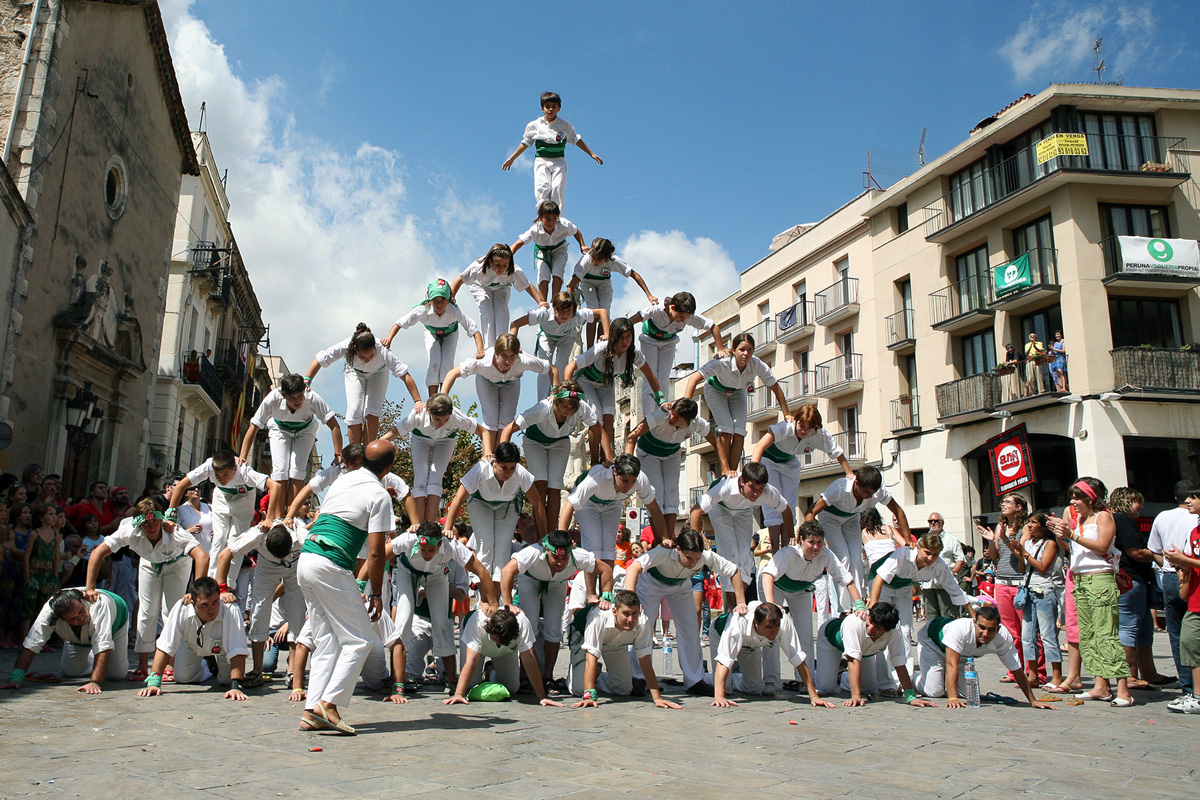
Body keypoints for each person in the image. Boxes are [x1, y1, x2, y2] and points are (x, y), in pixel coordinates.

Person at [294, 439, 396, 735]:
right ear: (388, 468)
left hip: (308, 559)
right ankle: (330, 704)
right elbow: (377, 552)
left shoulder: (342, 480)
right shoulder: (378, 494)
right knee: (361, 639)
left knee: (326, 641)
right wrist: (376, 593)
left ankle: (311, 711)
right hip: (330, 565)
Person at [84, 498, 208, 680]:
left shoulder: (174, 531)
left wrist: (197, 591)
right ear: (138, 524)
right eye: (146, 525)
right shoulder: (129, 531)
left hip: (177, 563)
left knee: (171, 611)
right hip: (150, 563)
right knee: (146, 611)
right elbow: (98, 552)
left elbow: (202, 556)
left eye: (155, 522)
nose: (152, 528)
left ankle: (169, 664)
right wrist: (90, 588)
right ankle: (143, 666)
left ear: (161, 519)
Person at [1048, 477, 1135, 707]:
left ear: (1090, 497)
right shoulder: (1081, 520)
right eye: (1072, 497)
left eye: (1077, 497)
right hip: (1081, 579)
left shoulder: (1103, 516)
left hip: (1100, 579)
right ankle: (1100, 685)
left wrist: (1073, 534)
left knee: (1107, 634)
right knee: (1088, 635)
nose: (1073, 502)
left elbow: (1102, 546)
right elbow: (1071, 549)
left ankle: (1123, 690)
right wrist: (1061, 533)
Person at [625, 530, 745, 696]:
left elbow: (733, 571)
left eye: (697, 559)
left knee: (690, 629)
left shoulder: (706, 556)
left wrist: (741, 602)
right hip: (651, 582)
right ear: (679, 549)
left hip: (680, 585)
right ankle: (638, 678)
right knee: (643, 626)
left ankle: (695, 680)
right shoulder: (664, 552)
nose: (693, 563)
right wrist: (630, 601)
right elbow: (633, 568)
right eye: (689, 558)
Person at [868, 531, 984, 694]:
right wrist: (873, 603)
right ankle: (885, 683)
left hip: (904, 588)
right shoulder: (903, 554)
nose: (930, 559)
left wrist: (973, 615)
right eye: (927, 553)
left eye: (935, 555)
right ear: (919, 548)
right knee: (885, 629)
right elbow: (880, 578)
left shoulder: (939, 565)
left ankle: (904, 681)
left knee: (905, 631)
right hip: (882, 584)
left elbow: (955, 591)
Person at [391, 521, 497, 695]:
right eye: (423, 550)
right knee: (402, 620)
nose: (426, 554)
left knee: (442, 624)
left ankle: (450, 679)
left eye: (431, 551)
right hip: (406, 572)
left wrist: (493, 602)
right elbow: (378, 554)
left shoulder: (452, 546)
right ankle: (398, 684)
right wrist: (363, 582)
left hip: (436, 576)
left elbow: (482, 571)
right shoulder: (408, 539)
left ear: (439, 544)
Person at [501, 529, 612, 689]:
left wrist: (606, 594)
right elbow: (507, 571)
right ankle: (524, 675)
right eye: (555, 557)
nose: (560, 563)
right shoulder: (533, 552)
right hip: (530, 580)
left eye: (564, 558)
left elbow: (605, 569)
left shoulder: (578, 555)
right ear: (546, 549)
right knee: (529, 623)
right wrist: (508, 603)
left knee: (554, 629)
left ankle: (548, 676)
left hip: (557, 584)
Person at [761, 520, 862, 683]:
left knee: (805, 634)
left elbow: (847, 580)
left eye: (819, 542)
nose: (815, 547)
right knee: (771, 631)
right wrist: (771, 606)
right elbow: (767, 575)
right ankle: (770, 681)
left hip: (801, 590)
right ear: (802, 540)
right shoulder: (788, 553)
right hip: (775, 587)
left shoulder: (826, 555)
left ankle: (804, 680)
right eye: (811, 542)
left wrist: (859, 605)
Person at [502, 381, 605, 535]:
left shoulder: (582, 407)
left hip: (560, 443)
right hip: (534, 442)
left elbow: (598, 429)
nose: (568, 411)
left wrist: (601, 459)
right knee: (541, 485)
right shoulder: (543, 408)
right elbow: (509, 428)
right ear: (556, 402)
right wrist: (503, 455)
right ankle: (540, 534)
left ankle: (551, 534)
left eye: (572, 408)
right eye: (565, 407)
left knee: (556, 487)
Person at [807, 465, 911, 613]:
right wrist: (813, 535)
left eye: (873, 492)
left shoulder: (879, 492)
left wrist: (908, 540)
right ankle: (844, 609)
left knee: (856, 559)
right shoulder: (839, 488)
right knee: (843, 557)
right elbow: (810, 511)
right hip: (829, 517)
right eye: (867, 492)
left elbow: (898, 510)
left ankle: (858, 603)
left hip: (852, 517)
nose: (870, 496)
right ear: (856, 483)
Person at [215, 519, 307, 687]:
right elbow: (224, 555)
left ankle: (293, 670)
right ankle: (257, 670)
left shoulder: (300, 534)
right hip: (266, 569)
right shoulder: (257, 534)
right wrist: (222, 589)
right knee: (258, 610)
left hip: (294, 568)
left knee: (297, 612)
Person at [240, 373, 343, 524]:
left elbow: (334, 426)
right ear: (283, 395)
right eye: (292, 398)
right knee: (280, 470)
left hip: (305, 430)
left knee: (297, 470)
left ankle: (291, 516)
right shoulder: (272, 399)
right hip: (279, 429)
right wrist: (243, 455)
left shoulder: (312, 398)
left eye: (300, 396)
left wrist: (338, 453)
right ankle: (277, 517)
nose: (298, 401)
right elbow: (253, 427)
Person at [564, 317, 666, 464]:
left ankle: (607, 459)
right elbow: (571, 366)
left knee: (609, 418)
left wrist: (660, 399)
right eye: (620, 337)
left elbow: (649, 375)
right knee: (595, 417)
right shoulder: (602, 348)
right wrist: (568, 392)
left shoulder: (634, 353)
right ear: (613, 337)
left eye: (628, 337)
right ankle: (594, 462)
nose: (624, 341)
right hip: (587, 382)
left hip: (606, 384)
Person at [750, 405, 852, 551]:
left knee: (788, 505)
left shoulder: (820, 434)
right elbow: (759, 446)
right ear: (796, 421)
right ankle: (775, 551)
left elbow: (837, 452)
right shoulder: (786, 427)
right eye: (801, 425)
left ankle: (787, 549)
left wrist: (849, 473)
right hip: (768, 460)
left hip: (789, 463)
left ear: (815, 427)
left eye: (809, 428)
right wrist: (754, 472)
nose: (803, 431)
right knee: (772, 500)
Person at [690, 462, 792, 608]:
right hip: (720, 507)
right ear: (742, 481)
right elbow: (696, 511)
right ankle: (731, 604)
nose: (756, 493)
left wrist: (792, 537)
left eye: (760, 489)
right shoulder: (726, 487)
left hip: (744, 510)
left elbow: (786, 510)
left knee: (745, 554)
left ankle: (740, 601)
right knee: (730, 553)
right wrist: (695, 542)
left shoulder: (769, 492)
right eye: (752, 488)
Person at [914, 607, 1056, 709]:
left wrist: (1032, 700)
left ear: (998, 629)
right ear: (974, 622)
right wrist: (952, 698)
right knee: (934, 691)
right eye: (982, 627)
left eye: (991, 630)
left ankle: (939, 677)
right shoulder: (960, 630)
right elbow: (952, 664)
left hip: (963, 654)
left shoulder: (1003, 638)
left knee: (967, 696)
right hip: (932, 643)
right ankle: (910, 677)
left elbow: (1016, 669)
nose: (985, 633)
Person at [683, 333, 789, 468]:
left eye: (749, 350)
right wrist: (686, 407)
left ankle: (733, 471)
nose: (746, 354)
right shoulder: (723, 362)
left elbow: (775, 387)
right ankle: (725, 470)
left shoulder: (757, 364)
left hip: (737, 392)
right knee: (727, 429)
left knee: (739, 431)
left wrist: (787, 414)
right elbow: (694, 378)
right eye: (742, 350)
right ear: (734, 350)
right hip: (715, 390)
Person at [135, 577, 249, 702]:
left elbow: (237, 649)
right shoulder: (181, 608)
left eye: (215, 602)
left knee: (227, 681)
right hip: (190, 645)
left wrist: (236, 686)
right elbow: (165, 644)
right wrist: (154, 682)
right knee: (183, 678)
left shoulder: (231, 609)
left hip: (223, 649)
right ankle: (208, 666)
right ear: (193, 603)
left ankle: (216, 664)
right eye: (204, 605)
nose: (211, 610)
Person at [168, 449, 268, 590]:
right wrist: (170, 514)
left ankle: (228, 583)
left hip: (244, 498)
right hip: (222, 496)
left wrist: (269, 518)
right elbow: (181, 485)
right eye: (218, 475)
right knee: (219, 537)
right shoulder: (208, 466)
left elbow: (274, 486)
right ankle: (211, 579)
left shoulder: (244, 471)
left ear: (234, 469)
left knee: (235, 540)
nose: (221, 478)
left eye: (225, 475)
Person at [306, 323, 424, 444]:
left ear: (375, 348)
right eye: (362, 357)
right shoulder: (346, 346)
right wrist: (307, 380)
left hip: (378, 373)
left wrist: (418, 401)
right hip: (354, 373)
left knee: (373, 410)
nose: (367, 360)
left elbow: (405, 375)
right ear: (355, 349)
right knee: (354, 409)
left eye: (372, 355)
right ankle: (355, 452)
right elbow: (319, 360)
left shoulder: (383, 350)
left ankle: (367, 452)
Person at [627, 397, 727, 537]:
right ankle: (660, 539)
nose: (672, 417)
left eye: (677, 417)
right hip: (648, 454)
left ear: (688, 421)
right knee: (656, 492)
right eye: (672, 413)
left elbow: (716, 441)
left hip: (671, 455)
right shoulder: (661, 415)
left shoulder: (696, 423)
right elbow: (633, 435)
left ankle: (669, 536)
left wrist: (726, 468)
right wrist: (628, 462)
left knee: (672, 492)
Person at [441, 333, 554, 455]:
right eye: (503, 355)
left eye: (512, 356)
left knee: (506, 422)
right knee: (491, 421)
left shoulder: (523, 360)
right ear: (496, 353)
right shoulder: (483, 362)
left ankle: (500, 458)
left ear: (517, 355)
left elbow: (552, 369)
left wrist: (555, 392)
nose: (507, 361)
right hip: (486, 381)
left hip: (511, 382)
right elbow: (452, 374)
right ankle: (488, 458)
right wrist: (442, 397)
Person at [1, 587, 129, 694]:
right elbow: (32, 643)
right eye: (73, 618)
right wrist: (16, 678)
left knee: (117, 675)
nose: (80, 618)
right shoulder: (49, 612)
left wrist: (94, 682)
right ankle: (93, 657)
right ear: (61, 620)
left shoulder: (99, 604)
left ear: (82, 601)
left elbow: (103, 645)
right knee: (70, 672)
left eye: (80, 611)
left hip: (115, 624)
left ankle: (99, 658)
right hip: (78, 637)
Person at [443, 442, 543, 578]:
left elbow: (537, 504)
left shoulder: (520, 473)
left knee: (503, 548)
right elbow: (458, 499)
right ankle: (484, 593)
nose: (508, 472)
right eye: (504, 467)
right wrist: (448, 527)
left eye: (512, 468)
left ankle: (499, 594)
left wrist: (543, 536)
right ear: (495, 462)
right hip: (480, 503)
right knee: (486, 545)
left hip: (508, 505)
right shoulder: (481, 469)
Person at [568, 590, 681, 709]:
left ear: (640, 610)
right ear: (615, 611)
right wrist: (589, 697)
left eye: (634, 614)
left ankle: (598, 675)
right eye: (626, 614)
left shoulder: (643, 622)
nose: (631, 620)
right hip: (582, 637)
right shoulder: (599, 617)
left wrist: (657, 699)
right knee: (578, 689)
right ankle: (577, 675)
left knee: (623, 690)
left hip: (616, 644)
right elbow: (591, 658)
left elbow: (645, 662)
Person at [709, 601, 833, 708]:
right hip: (720, 635)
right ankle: (704, 677)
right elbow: (724, 659)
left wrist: (814, 696)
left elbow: (798, 659)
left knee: (753, 689)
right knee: (724, 688)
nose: (774, 632)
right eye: (769, 627)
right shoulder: (738, 623)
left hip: (751, 646)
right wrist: (719, 696)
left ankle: (733, 675)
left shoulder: (783, 622)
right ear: (756, 623)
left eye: (777, 626)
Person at [1109, 486, 1173, 689]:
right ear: (1127, 501)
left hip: (1135, 580)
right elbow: (1135, 552)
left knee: (1144, 628)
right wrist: (1157, 555)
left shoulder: (1115, 520)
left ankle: (1149, 672)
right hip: (1131, 579)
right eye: (1138, 501)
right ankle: (1131, 676)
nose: (1141, 506)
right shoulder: (1124, 521)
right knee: (1129, 627)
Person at [814, 602, 934, 707]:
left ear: (887, 630)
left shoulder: (894, 630)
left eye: (877, 628)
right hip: (830, 642)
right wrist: (855, 696)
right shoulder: (853, 622)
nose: (871, 628)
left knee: (869, 688)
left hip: (864, 653)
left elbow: (899, 663)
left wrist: (910, 696)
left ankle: (841, 675)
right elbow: (853, 661)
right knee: (826, 688)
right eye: (870, 622)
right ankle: (816, 673)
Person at [388, 394, 484, 524]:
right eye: (438, 419)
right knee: (420, 477)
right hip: (420, 439)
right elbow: (392, 433)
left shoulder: (456, 416)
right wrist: (371, 449)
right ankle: (418, 524)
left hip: (446, 441)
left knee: (435, 478)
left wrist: (488, 453)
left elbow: (483, 431)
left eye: (446, 420)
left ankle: (429, 524)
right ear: (429, 411)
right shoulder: (417, 415)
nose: (442, 424)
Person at [444, 607, 565, 708]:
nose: (497, 644)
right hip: (477, 645)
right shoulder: (477, 621)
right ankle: (481, 673)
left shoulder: (523, 623)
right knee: (470, 686)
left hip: (506, 651)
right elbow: (471, 660)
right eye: (495, 640)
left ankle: (490, 670)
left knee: (512, 688)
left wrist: (542, 697)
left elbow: (529, 660)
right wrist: (459, 694)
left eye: (502, 642)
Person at [382, 279, 485, 397]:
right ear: (430, 300)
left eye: (443, 300)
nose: (439, 305)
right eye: (435, 301)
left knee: (447, 363)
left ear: (448, 299)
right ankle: (432, 398)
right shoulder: (423, 309)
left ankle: (443, 397)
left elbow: (474, 330)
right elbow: (399, 323)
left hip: (450, 334)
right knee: (434, 362)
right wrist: (389, 340)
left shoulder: (454, 310)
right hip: (431, 333)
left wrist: (480, 350)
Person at [501, 91, 602, 210]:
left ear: (559, 108)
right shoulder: (534, 125)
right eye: (547, 107)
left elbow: (576, 140)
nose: (550, 110)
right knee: (542, 186)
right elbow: (525, 143)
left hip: (558, 161)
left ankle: (556, 218)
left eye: (554, 107)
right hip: (542, 160)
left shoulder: (564, 126)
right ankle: (542, 215)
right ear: (542, 108)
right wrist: (511, 158)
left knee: (557, 187)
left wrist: (592, 154)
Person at [559, 455, 667, 564]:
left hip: (613, 502)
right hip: (589, 501)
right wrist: (561, 539)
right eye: (624, 480)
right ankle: (590, 580)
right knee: (593, 545)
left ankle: (607, 580)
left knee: (609, 547)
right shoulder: (597, 478)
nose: (628, 486)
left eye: (632, 481)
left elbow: (654, 510)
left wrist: (665, 538)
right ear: (615, 471)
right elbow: (569, 506)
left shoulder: (641, 480)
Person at [1148, 480, 1197, 705]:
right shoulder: (1193, 520)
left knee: (1179, 634)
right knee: (1187, 632)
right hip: (1181, 573)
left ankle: (1189, 688)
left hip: (1173, 574)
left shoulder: (1163, 517)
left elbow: (1156, 551)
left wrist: (1171, 566)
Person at [977, 493, 1036, 683]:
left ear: (1019, 507)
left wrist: (1005, 538)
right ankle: (1015, 670)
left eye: (1008, 502)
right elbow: (994, 556)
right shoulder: (1001, 526)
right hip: (1001, 582)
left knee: (1028, 631)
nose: (1003, 504)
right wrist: (992, 539)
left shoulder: (1026, 527)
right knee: (1011, 632)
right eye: (1002, 502)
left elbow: (1021, 554)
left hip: (1020, 582)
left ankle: (1035, 672)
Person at [510, 291, 610, 400]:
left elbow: (602, 312)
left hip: (567, 338)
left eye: (568, 311)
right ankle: (543, 400)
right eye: (561, 311)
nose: (565, 315)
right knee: (545, 365)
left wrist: (607, 335)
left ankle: (558, 396)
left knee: (562, 365)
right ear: (555, 309)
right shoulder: (544, 314)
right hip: (547, 337)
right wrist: (512, 346)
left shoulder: (577, 316)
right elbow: (515, 324)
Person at [628, 292, 726, 403]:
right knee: (650, 375)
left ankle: (662, 407)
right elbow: (632, 320)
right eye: (681, 317)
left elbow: (713, 326)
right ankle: (649, 415)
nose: (683, 321)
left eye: (686, 318)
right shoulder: (658, 309)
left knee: (664, 377)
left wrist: (720, 349)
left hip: (668, 342)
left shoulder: (688, 317)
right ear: (672, 307)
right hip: (649, 340)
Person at [450, 243, 547, 347]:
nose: (501, 269)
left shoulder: (514, 270)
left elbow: (527, 286)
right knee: (487, 312)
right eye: (498, 265)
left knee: (501, 311)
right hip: (481, 287)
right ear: (490, 261)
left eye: (505, 265)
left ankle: (501, 345)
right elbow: (460, 279)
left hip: (501, 288)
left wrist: (540, 302)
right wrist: (450, 297)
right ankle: (489, 348)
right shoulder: (478, 266)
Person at [567, 238, 656, 347]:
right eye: (593, 257)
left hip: (604, 283)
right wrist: (570, 306)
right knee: (593, 311)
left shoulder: (613, 261)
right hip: (587, 282)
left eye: (599, 259)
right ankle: (590, 350)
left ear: (606, 258)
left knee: (604, 313)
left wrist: (649, 294)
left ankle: (602, 346)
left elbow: (634, 275)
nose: (595, 261)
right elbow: (572, 286)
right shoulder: (586, 260)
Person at [1161, 485, 1200, 713]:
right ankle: (1194, 693)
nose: (1188, 501)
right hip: (1194, 597)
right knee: (1189, 644)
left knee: (1191, 642)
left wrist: (1184, 560)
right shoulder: (1195, 530)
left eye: (1193, 497)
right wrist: (1181, 563)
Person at [1020, 511, 1066, 691]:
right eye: (1028, 522)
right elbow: (1022, 567)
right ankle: (1032, 674)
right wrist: (1020, 552)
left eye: (1033, 522)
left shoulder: (1050, 544)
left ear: (1043, 526)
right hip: (1028, 591)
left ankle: (1056, 676)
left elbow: (1042, 566)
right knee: (1027, 636)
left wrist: (1024, 554)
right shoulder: (1029, 543)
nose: (1029, 526)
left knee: (1048, 636)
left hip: (1044, 592)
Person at [511, 200, 587, 301]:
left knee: (557, 272)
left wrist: (582, 245)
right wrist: (508, 256)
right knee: (543, 275)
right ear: (540, 217)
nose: (551, 222)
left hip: (559, 249)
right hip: (542, 251)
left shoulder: (564, 224)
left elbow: (576, 231)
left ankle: (555, 301)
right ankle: (543, 303)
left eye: (554, 219)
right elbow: (518, 243)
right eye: (547, 218)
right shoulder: (535, 229)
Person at [19, 504, 61, 642]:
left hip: (48, 575)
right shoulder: (34, 534)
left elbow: (56, 557)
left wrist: (55, 576)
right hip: (34, 573)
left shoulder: (56, 535)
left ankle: (40, 640)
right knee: (28, 608)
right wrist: (28, 576)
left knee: (44, 609)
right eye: (50, 514)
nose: (54, 517)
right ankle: (25, 639)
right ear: (42, 518)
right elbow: (27, 555)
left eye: (55, 514)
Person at [921, 512, 966, 620]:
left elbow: (960, 559)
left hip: (944, 583)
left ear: (942, 523)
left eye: (936, 521)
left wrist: (953, 573)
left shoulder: (951, 540)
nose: (933, 523)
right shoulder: (922, 540)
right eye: (930, 521)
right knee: (930, 616)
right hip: (928, 583)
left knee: (946, 614)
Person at [176, 483, 213, 554]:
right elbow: (175, 534)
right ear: (186, 493)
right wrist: (189, 531)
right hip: (190, 555)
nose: (196, 490)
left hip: (210, 552)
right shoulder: (180, 510)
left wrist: (216, 532)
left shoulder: (209, 507)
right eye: (192, 488)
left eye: (198, 488)